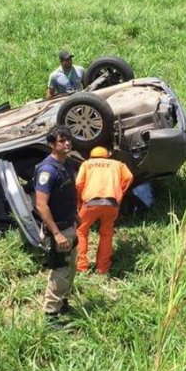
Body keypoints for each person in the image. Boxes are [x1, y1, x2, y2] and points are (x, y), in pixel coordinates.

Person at [34, 126, 78, 319]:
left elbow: (67, 193)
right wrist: (57, 233)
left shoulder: (67, 164)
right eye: (61, 141)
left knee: (71, 266)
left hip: (70, 224)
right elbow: (41, 206)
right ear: (52, 145)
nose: (66, 143)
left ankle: (62, 302)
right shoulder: (47, 171)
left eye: (68, 139)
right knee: (60, 271)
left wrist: (75, 214)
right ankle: (51, 314)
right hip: (58, 229)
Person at [75, 146, 133, 274]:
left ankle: (81, 267)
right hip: (112, 203)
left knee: (81, 231)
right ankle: (102, 269)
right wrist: (120, 192)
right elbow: (129, 177)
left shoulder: (87, 164)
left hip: (90, 203)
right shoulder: (118, 164)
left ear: (91, 156)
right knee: (106, 234)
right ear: (107, 156)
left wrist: (79, 201)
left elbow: (78, 184)